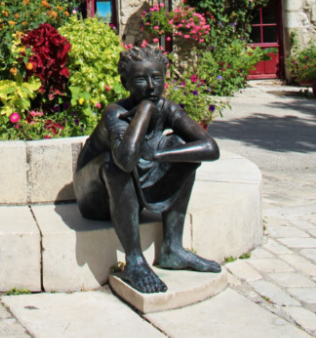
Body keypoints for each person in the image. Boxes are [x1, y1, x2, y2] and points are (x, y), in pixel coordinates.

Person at [73, 44, 221, 293]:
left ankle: (172, 249)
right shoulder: (115, 113)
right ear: (125, 82)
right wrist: (144, 110)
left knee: (181, 146)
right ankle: (134, 261)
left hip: (135, 183)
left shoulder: (167, 107)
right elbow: (126, 160)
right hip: (95, 196)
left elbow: (210, 148)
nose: (151, 87)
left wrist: (162, 154)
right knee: (115, 163)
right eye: (141, 80)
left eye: (157, 78)